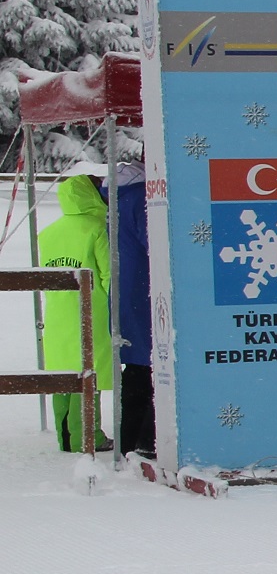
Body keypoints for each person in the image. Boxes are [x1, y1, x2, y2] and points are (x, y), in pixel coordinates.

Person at [37, 168, 113, 452]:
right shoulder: (97, 228)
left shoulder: (49, 232)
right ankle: (87, 436)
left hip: (58, 313)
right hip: (92, 312)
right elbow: (109, 275)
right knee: (88, 373)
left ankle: (65, 436)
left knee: (63, 374)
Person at [111, 159, 154, 458]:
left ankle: (129, 440)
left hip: (126, 291)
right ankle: (145, 440)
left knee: (138, 369)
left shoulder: (117, 198)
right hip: (146, 290)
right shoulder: (141, 198)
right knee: (152, 368)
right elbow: (155, 244)